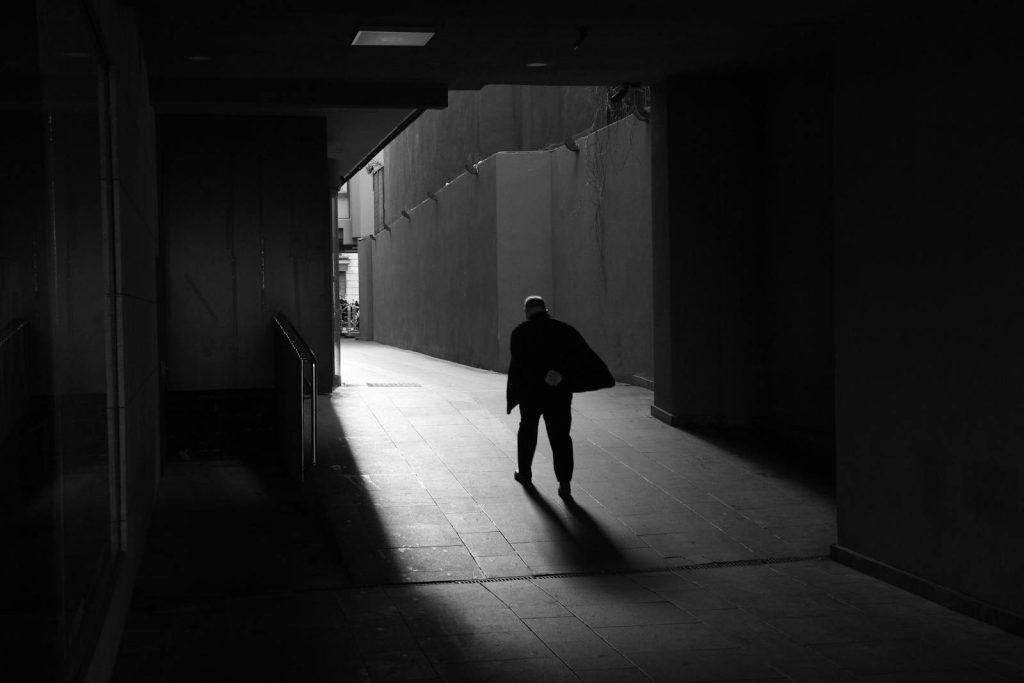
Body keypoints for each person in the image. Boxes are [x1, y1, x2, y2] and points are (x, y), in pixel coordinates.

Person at [506, 295, 613, 499]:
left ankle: (525, 473)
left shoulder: (520, 332)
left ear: (527, 312)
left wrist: (517, 393)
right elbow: (582, 359)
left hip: (531, 394)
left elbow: (519, 366)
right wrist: (562, 376)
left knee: (527, 430)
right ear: (545, 310)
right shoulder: (565, 330)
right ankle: (564, 483)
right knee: (560, 437)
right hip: (558, 394)